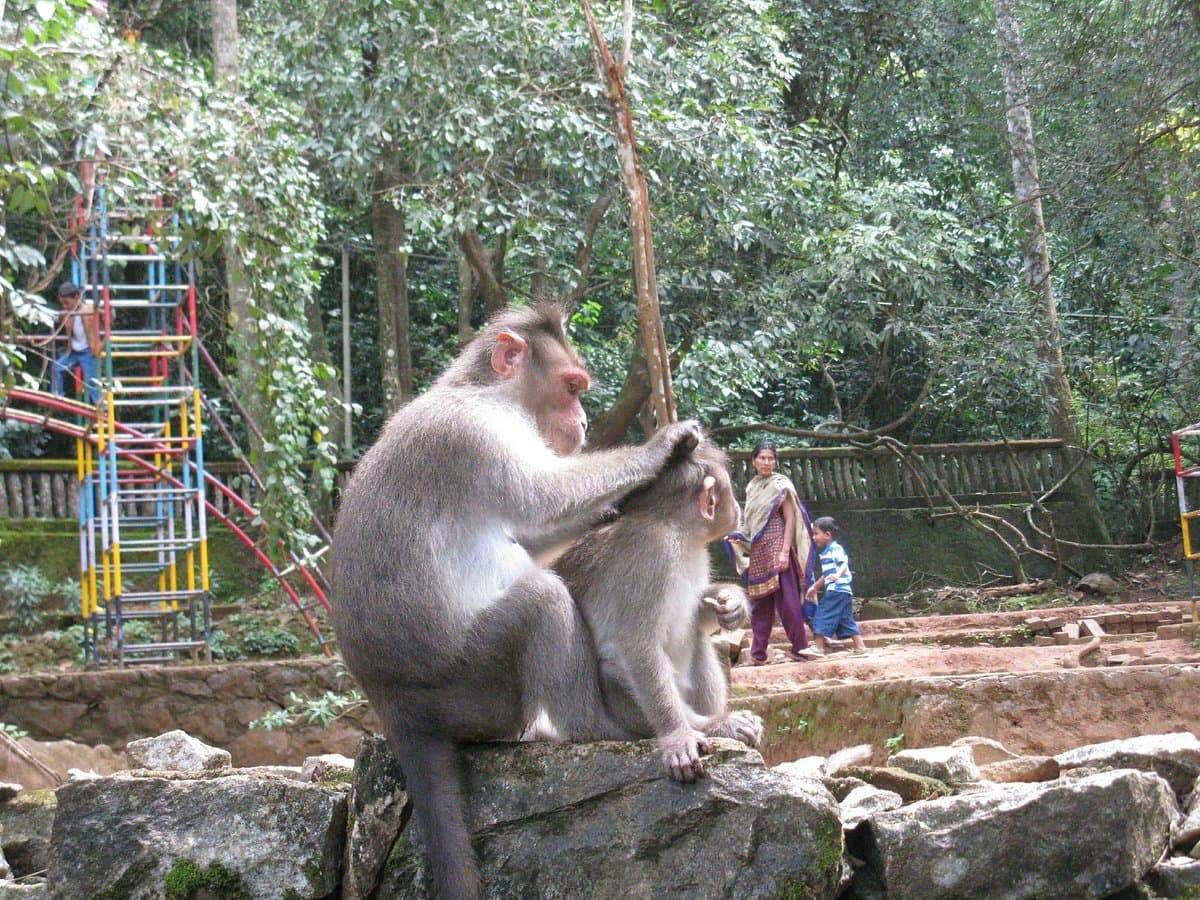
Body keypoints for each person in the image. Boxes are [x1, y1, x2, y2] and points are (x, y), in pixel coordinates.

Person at [725, 441, 821, 665]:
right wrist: (738, 536)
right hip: (759, 552)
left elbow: (790, 519)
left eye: (770, 458)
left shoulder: (781, 485)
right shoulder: (752, 487)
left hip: (778, 547)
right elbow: (750, 523)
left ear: (775, 461)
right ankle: (758, 655)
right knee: (760, 605)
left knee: (788, 602)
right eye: (762, 458)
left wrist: (785, 551)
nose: (766, 462)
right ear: (754, 461)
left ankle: (800, 648)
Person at [806, 516, 868, 655]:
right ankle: (860, 647)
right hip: (843, 591)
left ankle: (818, 647)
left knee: (822, 614)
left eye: (816, 534)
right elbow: (827, 574)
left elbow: (843, 564)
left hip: (837, 590)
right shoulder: (827, 552)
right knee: (846, 619)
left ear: (827, 535)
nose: (814, 537)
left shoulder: (835, 549)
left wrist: (838, 575)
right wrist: (815, 587)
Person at [49, 282, 102, 405]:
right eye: (62, 303)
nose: (64, 306)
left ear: (77, 297)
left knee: (91, 379)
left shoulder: (88, 309)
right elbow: (57, 317)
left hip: (88, 351)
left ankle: (100, 404)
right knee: (57, 368)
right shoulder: (67, 313)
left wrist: (107, 314)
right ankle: (57, 396)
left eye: (67, 302)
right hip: (73, 351)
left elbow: (105, 315)